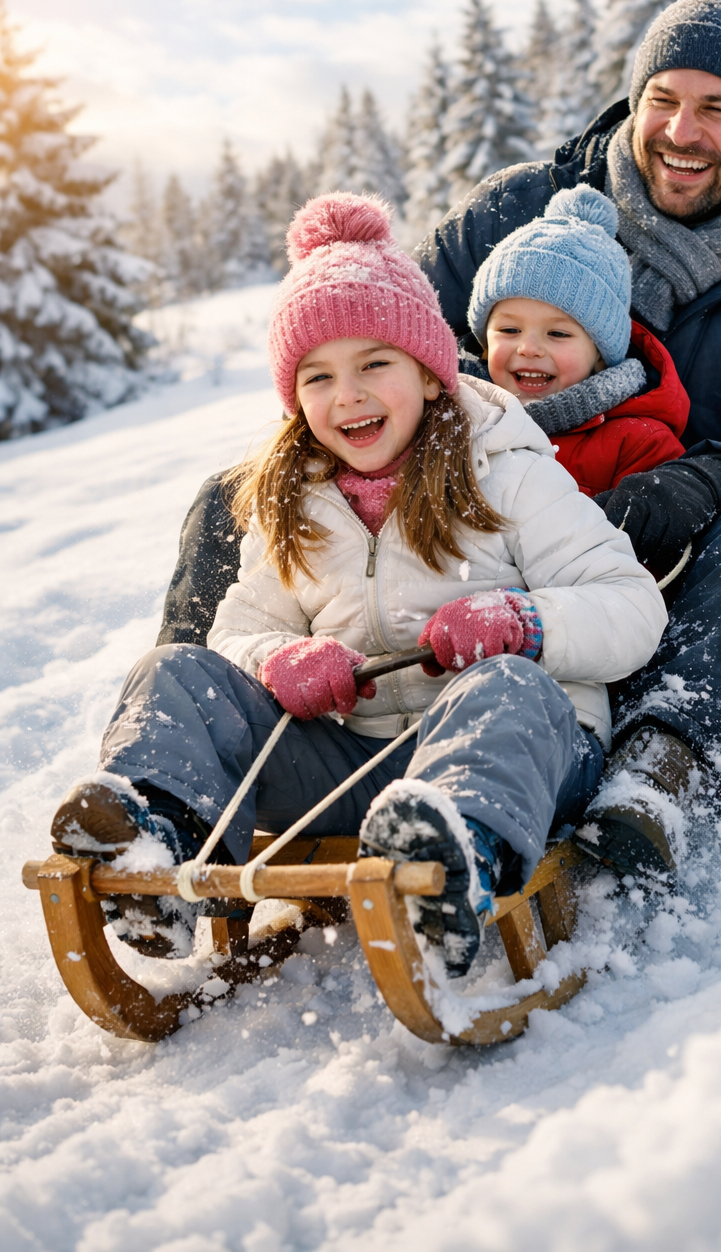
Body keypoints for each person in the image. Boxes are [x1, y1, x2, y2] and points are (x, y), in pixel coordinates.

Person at [157, 0, 721, 881]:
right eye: (662, 99)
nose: (680, 131)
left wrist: (713, 479)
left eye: (718, 109)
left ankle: (656, 771)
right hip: (466, 539)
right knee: (235, 501)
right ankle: (180, 787)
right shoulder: (516, 212)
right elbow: (361, 352)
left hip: (663, 577)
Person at [50, 194, 665, 977]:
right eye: (318, 376)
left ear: (432, 374)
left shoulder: (505, 470)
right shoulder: (295, 498)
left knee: (505, 687)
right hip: (355, 762)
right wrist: (278, 659)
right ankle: (156, 844)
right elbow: (237, 631)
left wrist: (526, 621)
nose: (348, 396)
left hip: (519, 760)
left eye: (375, 363)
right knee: (173, 671)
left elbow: (631, 606)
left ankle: (447, 862)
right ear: (295, 398)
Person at [466, 181, 689, 500]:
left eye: (557, 333)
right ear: (484, 342)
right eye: (509, 330)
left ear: (600, 354)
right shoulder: (455, 418)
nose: (528, 348)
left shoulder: (637, 443)